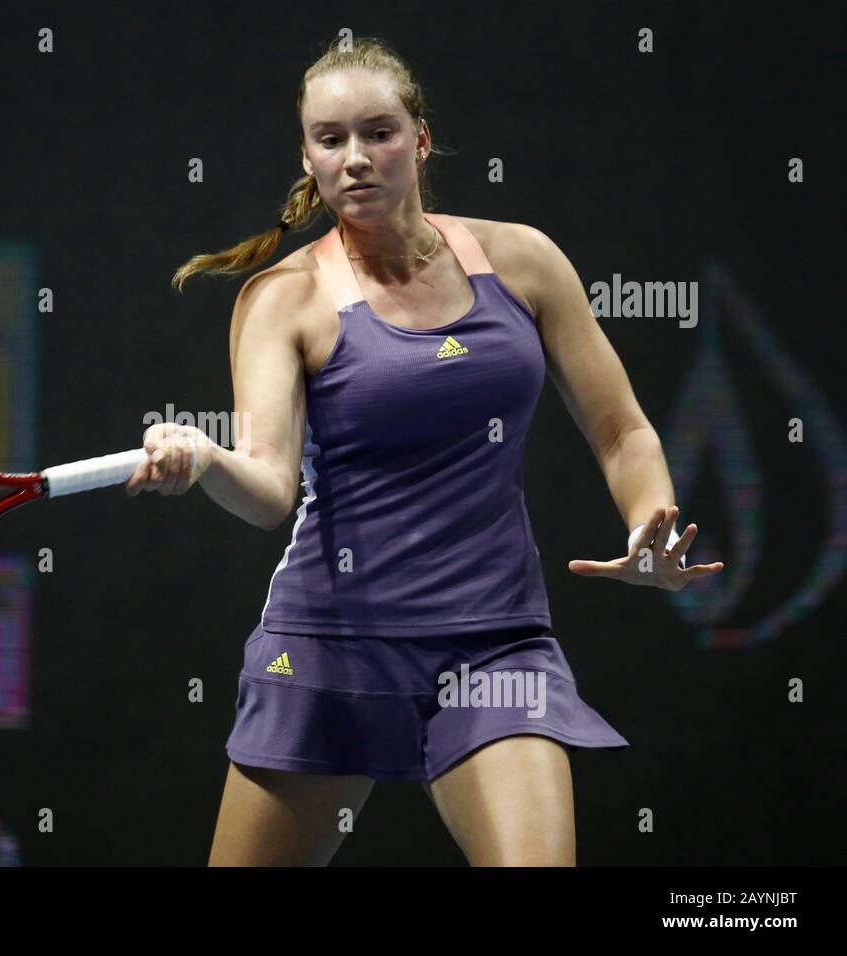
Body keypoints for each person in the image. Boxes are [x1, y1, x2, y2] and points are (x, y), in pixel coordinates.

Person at [125, 36, 723, 866]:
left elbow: (622, 429)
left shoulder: (524, 260)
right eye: (330, 140)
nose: (356, 158)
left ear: (421, 138)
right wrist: (204, 459)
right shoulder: (283, 297)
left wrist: (645, 524)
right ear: (306, 154)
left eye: (379, 132)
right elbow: (267, 487)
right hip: (328, 643)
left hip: (495, 643)